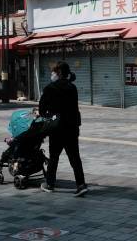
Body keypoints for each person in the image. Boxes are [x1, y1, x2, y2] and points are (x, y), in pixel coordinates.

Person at [39, 61, 88, 197]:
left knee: (54, 157)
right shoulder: (72, 88)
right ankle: (81, 184)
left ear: (59, 73)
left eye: (54, 71)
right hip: (72, 128)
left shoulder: (50, 88)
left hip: (57, 129)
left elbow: (42, 109)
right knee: (75, 158)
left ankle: (50, 184)